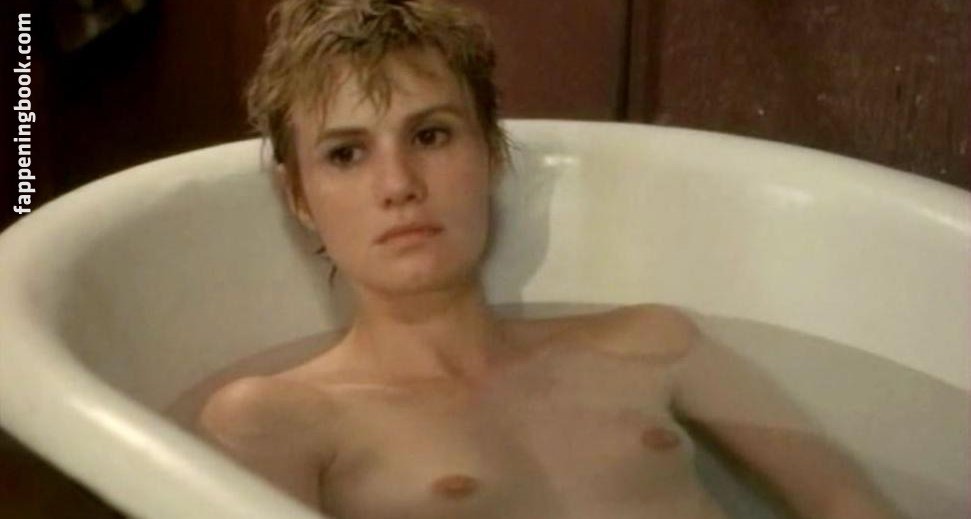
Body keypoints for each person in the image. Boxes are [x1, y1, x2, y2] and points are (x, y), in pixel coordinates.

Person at [197, 1, 902, 518]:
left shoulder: (652, 342)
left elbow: (845, 503)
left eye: (431, 135)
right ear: (299, 196)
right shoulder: (274, 418)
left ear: (491, 153)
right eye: (347, 153)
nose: (398, 184)